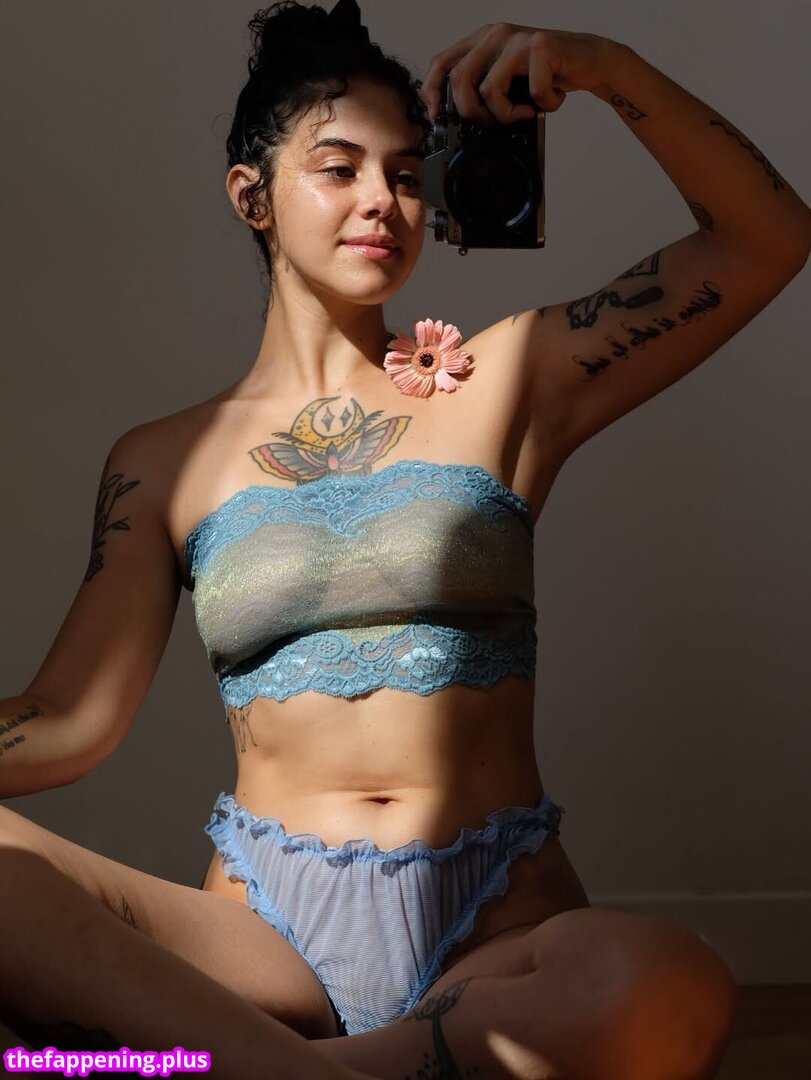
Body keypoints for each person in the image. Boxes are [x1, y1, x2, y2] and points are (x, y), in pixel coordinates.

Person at [2, 1, 809, 1077]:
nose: (383, 199)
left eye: (408, 173)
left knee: (661, 980)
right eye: (338, 168)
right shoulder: (161, 461)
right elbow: (69, 721)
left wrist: (605, 67)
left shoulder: (508, 379)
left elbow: (765, 239)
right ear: (251, 195)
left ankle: (253, 1070)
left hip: (495, 927)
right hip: (258, 946)